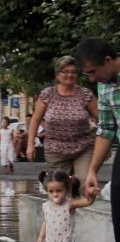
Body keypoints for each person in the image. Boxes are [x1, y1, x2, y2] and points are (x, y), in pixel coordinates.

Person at [76, 38, 120, 242]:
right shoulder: (104, 86)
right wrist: (93, 170)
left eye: (93, 72)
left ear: (108, 60)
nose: (91, 79)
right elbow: (106, 129)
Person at [26, 55, 97, 185]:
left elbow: (100, 119)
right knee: (60, 187)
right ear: (58, 75)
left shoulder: (86, 95)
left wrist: (103, 143)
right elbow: (35, 120)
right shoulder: (47, 94)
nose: (70, 75)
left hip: (83, 148)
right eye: (66, 72)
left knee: (83, 183)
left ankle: (77, 196)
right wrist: (30, 144)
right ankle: (51, 185)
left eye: (73, 72)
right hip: (56, 150)